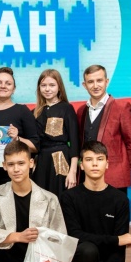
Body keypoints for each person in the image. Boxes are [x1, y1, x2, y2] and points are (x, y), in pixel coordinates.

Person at [60, 141, 131, 262]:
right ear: (81, 165)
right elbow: (75, 236)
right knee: (86, 249)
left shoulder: (120, 200)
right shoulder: (69, 197)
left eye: (100, 159)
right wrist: (115, 240)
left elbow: (120, 249)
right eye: (89, 159)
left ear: (107, 164)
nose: (94, 164)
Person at [0, 67, 39, 198]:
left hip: (16, 174)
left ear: (14, 88)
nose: (3, 86)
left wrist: (17, 138)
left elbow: (35, 146)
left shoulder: (22, 111)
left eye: (8, 83)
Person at [76, 64, 131, 193]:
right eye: (90, 82)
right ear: (84, 85)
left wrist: (122, 168)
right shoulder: (81, 111)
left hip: (115, 181)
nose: (95, 85)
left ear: (106, 82)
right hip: (86, 180)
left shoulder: (121, 108)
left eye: (99, 80)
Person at [32, 69, 79, 199]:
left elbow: (75, 141)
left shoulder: (66, 108)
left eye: (52, 85)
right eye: (43, 85)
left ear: (59, 87)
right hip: (41, 161)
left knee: (60, 197)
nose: (47, 89)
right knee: (40, 199)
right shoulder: (34, 112)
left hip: (60, 158)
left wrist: (72, 171)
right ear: (39, 88)